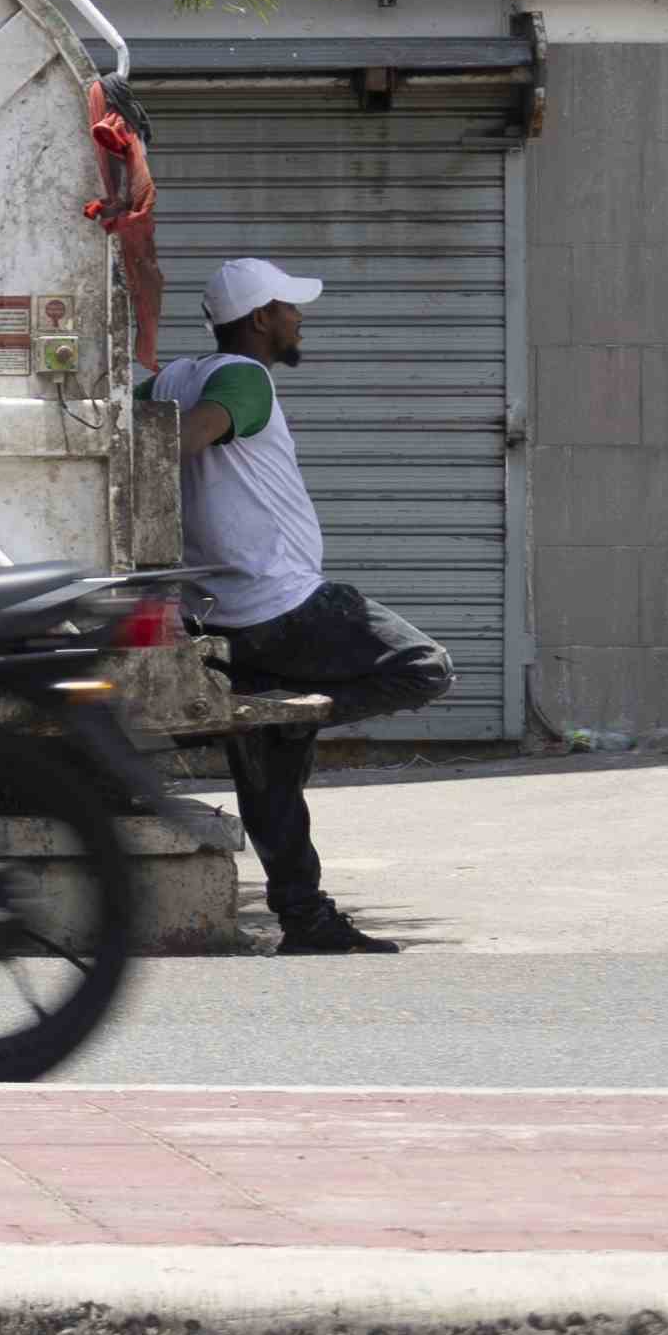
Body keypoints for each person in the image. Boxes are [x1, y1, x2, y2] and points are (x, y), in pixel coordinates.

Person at [149, 255, 453, 955]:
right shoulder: (246, 378)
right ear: (261, 319)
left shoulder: (173, 376)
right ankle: (289, 712)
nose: (298, 318)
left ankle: (305, 920)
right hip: (285, 604)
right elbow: (188, 436)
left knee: (272, 789)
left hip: (220, 616)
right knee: (425, 666)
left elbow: (139, 401)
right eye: (289, 307)